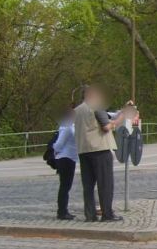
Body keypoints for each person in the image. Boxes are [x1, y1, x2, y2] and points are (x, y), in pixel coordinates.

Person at [74, 85, 124, 222]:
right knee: (105, 184)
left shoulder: (77, 110)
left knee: (88, 185)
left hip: (84, 150)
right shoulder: (96, 107)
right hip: (100, 149)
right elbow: (106, 127)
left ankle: (90, 215)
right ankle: (107, 214)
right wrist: (121, 118)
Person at [53, 107, 78, 220]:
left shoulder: (68, 126)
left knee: (66, 186)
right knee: (65, 186)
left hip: (69, 158)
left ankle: (63, 210)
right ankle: (62, 212)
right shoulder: (67, 127)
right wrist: (57, 151)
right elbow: (58, 144)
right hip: (65, 158)